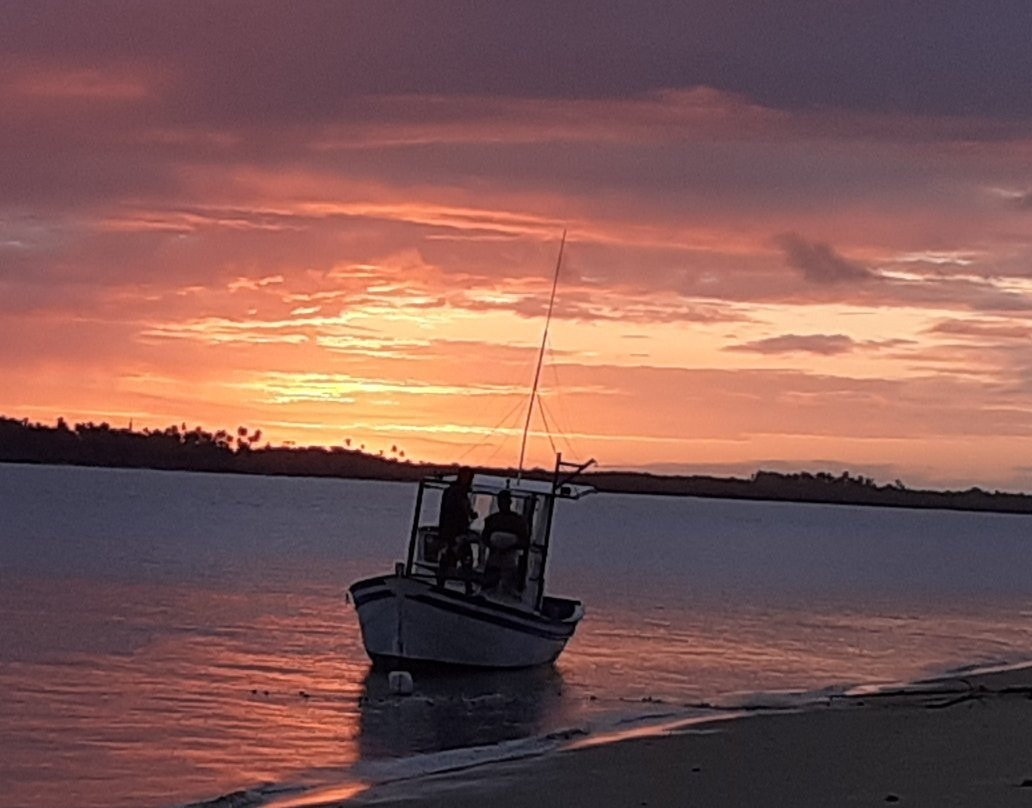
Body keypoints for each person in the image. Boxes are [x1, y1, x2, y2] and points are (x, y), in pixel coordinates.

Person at [481, 489, 530, 597]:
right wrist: (493, 545)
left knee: (508, 588)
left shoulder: (519, 521)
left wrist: (509, 546)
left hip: (510, 558)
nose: (502, 504)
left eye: (505, 501)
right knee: (489, 585)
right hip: (494, 556)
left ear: (510, 502)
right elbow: (485, 538)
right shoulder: (491, 520)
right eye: (500, 501)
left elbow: (524, 541)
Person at [436, 467, 476, 591]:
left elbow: (466, 512)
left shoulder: (462, 493)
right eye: (465, 476)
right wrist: (448, 536)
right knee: (451, 559)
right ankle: (441, 585)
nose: (467, 479)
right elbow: (448, 514)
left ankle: (466, 587)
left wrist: (471, 514)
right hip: (452, 533)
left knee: (465, 560)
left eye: (469, 477)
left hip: (460, 532)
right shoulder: (453, 492)